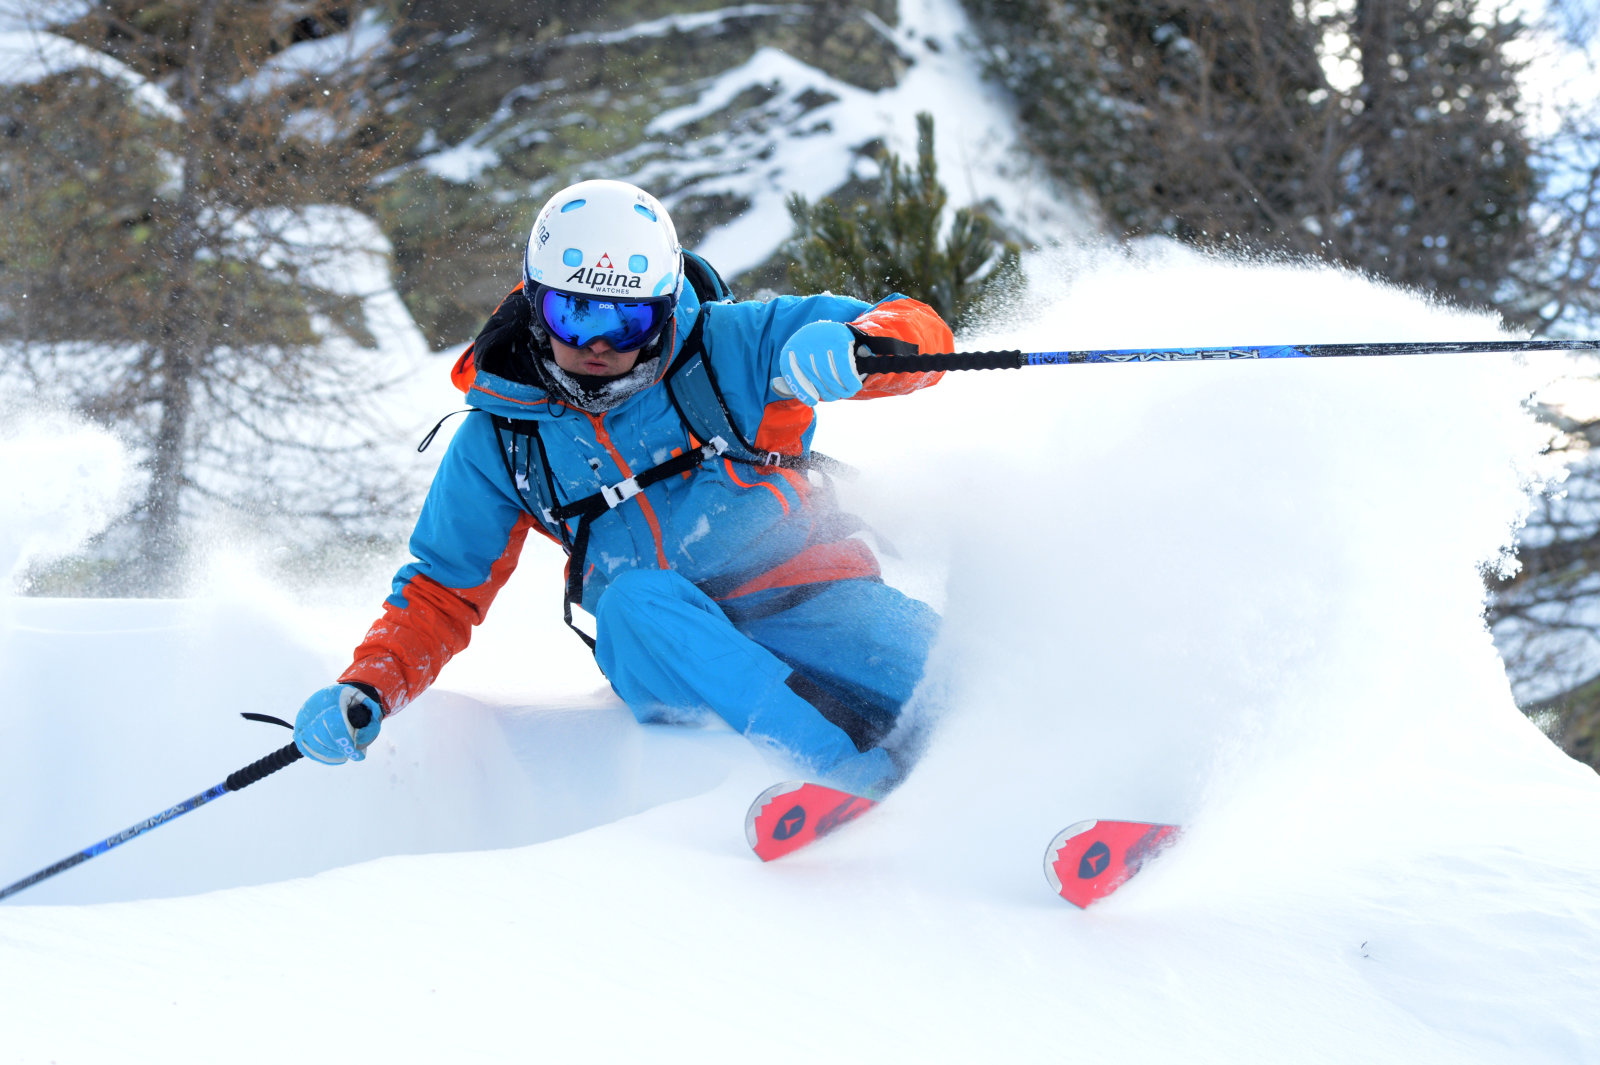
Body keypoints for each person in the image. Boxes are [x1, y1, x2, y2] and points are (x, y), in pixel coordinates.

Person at [293, 179, 951, 795]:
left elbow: (921, 330)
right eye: (573, 313)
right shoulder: (503, 436)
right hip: (662, 649)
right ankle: (840, 780)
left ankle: (1037, 785)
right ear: (533, 299)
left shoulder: (735, 346)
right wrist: (370, 685)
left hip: (814, 600)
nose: (599, 343)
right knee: (637, 599)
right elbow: (442, 586)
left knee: (963, 684)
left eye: (627, 321)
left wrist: (864, 345)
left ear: (663, 310)